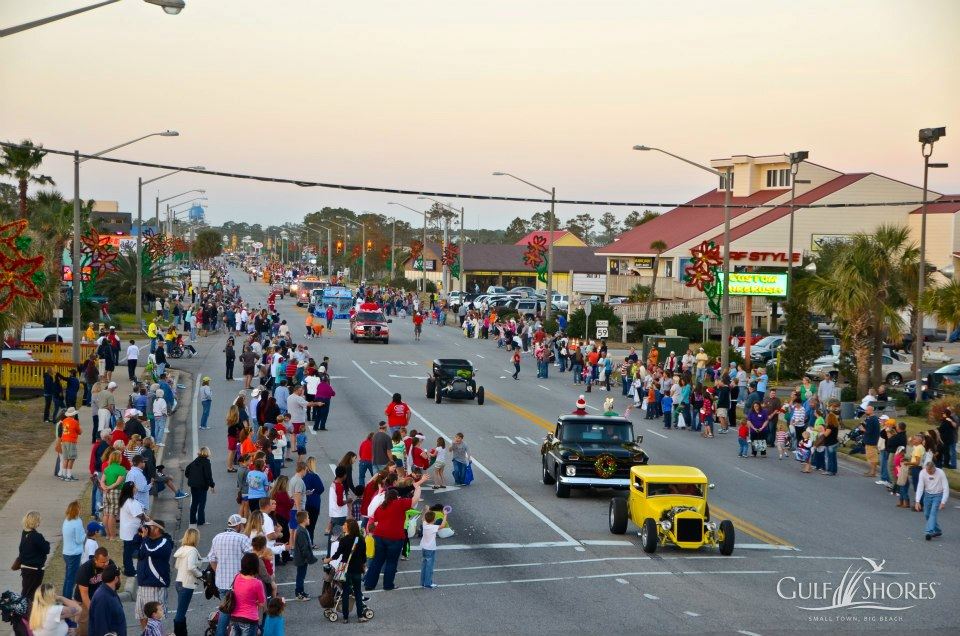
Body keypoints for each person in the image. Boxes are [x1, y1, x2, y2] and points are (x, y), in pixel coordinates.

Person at [363, 475, 426, 591]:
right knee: (391, 562)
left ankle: (369, 584)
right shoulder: (399, 503)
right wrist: (418, 488)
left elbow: (376, 520)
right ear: (396, 497)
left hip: (380, 536)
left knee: (377, 560)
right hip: (395, 537)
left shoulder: (381, 507)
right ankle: (388, 585)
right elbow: (414, 500)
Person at [208, 515, 253, 636]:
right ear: (238, 526)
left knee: (225, 610)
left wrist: (219, 571)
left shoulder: (217, 537)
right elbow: (252, 556)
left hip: (221, 582)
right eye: (242, 525)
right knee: (239, 610)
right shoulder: (242, 538)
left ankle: (222, 633)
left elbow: (212, 558)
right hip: (239, 582)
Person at [325, 518, 368, 623]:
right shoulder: (361, 539)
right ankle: (360, 616)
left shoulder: (344, 540)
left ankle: (345, 617)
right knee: (358, 592)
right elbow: (364, 557)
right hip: (357, 569)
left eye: (345, 525)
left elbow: (337, 554)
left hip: (345, 569)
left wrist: (328, 560)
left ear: (349, 527)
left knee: (345, 593)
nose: (343, 526)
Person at [135, 519, 172, 630]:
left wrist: (145, 538)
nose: (146, 528)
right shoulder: (146, 541)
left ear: (157, 529)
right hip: (142, 584)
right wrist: (140, 536)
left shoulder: (165, 541)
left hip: (154, 585)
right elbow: (138, 553)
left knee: (154, 618)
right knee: (142, 616)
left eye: (149, 526)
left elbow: (151, 551)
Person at [73, 546, 114, 636]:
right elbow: (84, 595)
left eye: (107, 560)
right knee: (84, 624)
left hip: (99, 597)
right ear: (95, 560)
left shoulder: (109, 564)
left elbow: (113, 583)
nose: (106, 564)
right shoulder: (84, 570)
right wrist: (94, 610)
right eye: (103, 562)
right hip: (83, 600)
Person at [228, 553, 266, 636]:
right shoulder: (257, 583)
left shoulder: (237, 577)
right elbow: (262, 603)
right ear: (256, 566)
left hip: (234, 617)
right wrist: (255, 601)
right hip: (249, 619)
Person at [173, 528, 202, 636]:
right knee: (181, 613)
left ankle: (182, 633)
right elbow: (191, 567)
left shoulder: (182, 549)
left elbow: (176, 565)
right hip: (187, 584)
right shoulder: (193, 550)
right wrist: (200, 574)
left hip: (179, 581)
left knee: (181, 609)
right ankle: (179, 633)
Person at [19, 510, 50, 603]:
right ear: (36, 522)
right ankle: (27, 613)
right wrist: (47, 543)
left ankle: (23, 612)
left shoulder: (25, 533)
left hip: (25, 568)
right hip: (34, 570)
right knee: (31, 594)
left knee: (26, 591)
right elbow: (46, 549)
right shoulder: (37, 536)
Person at [915, 461, 949, 540]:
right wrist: (917, 501)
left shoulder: (940, 473)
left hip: (938, 495)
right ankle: (937, 530)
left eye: (931, 471)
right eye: (927, 470)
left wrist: (943, 501)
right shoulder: (922, 473)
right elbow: (920, 487)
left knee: (933, 513)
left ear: (934, 468)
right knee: (927, 514)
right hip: (927, 495)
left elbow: (946, 487)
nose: (929, 472)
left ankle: (929, 532)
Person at [88, 564, 124, 636]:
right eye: (120, 577)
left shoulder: (111, 592)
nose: (121, 579)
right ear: (116, 578)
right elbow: (101, 628)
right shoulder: (103, 598)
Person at [185, 447, 216, 527]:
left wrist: (192, 478)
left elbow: (187, 470)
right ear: (207, 453)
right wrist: (212, 485)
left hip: (193, 485)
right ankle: (201, 521)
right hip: (202, 486)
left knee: (194, 502)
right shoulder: (206, 462)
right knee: (202, 503)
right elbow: (208, 475)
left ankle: (192, 520)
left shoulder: (195, 460)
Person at [60, 501, 85, 599]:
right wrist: (85, 534)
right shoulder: (77, 522)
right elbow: (79, 540)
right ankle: (67, 599)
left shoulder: (67, 520)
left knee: (68, 577)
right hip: (74, 553)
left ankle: (65, 597)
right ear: (77, 510)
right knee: (72, 579)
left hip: (66, 552)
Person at [291, 510, 317, 600]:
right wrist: (310, 557)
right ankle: (299, 593)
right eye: (308, 518)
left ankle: (301, 591)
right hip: (301, 558)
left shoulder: (302, 529)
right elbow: (304, 547)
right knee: (300, 576)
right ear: (304, 520)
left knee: (302, 575)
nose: (309, 519)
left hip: (302, 558)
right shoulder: (301, 532)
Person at [420, 509, 448, 589]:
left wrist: (426, 511)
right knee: (429, 566)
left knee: (424, 566)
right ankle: (428, 583)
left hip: (424, 547)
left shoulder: (425, 525)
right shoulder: (433, 527)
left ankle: (423, 582)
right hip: (430, 548)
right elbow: (442, 525)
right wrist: (445, 515)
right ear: (434, 519)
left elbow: (423, 519)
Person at [58, 407, 82, 481]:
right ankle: (69, 475)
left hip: (64, 440)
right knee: (71, 458)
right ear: (73, 414)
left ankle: (64, 475)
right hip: (71, 441)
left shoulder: (64, 421)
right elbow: (80, 432)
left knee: (66, 458)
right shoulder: (75, 422)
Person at [859, 405, 881, 478]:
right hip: (872, 440)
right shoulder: (873, 418)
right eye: (866, 410)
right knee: (871, 456)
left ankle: (873, 472)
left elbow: (869, 431)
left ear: (871, 410)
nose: (866, 411)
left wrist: (862, 429)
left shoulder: (872, 419)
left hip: (871, 441)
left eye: (867, 410)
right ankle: (871, 471)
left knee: (872, 457)